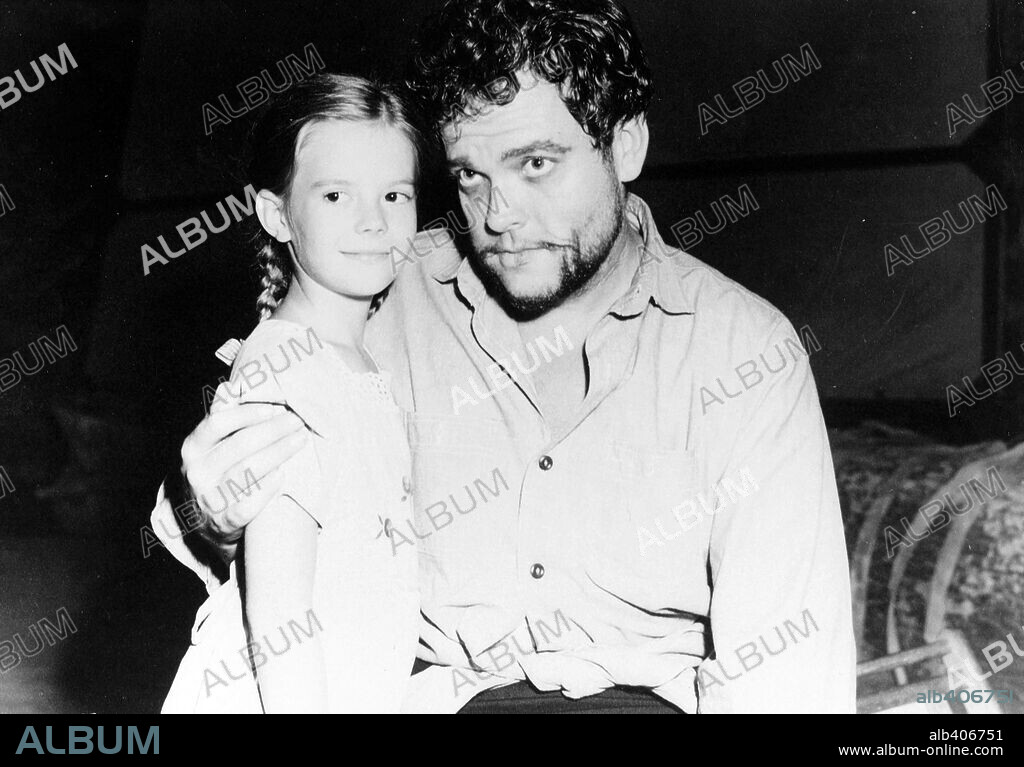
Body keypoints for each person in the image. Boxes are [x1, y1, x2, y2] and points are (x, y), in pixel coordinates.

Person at [154, 0, 856, 713]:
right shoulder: (379, 294)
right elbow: (257, 522)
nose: (497, 215)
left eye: (537, 164)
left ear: (627, 145)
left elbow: (787, 671)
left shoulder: (746, 352)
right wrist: (205, 507)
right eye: (468, 175)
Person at [160, 73, 425, 713]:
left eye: (395, 194)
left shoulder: (352, 355)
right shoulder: (287, 371)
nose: (373, 220)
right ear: (278, 215)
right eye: (336, 195)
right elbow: (281, 618)